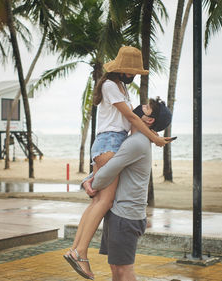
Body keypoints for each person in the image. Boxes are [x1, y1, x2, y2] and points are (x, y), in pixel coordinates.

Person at [64, 46, 171, 280]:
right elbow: (132, 117)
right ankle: (80, 252)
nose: (134, 75)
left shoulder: (119, 86)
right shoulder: (110, 85)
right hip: (110, 142)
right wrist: (154, 137)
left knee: (98, 202)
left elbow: (132, 119)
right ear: (123, 70)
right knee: (104, 201)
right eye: (132, 71)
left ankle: (76, 249)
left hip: (110, 142)